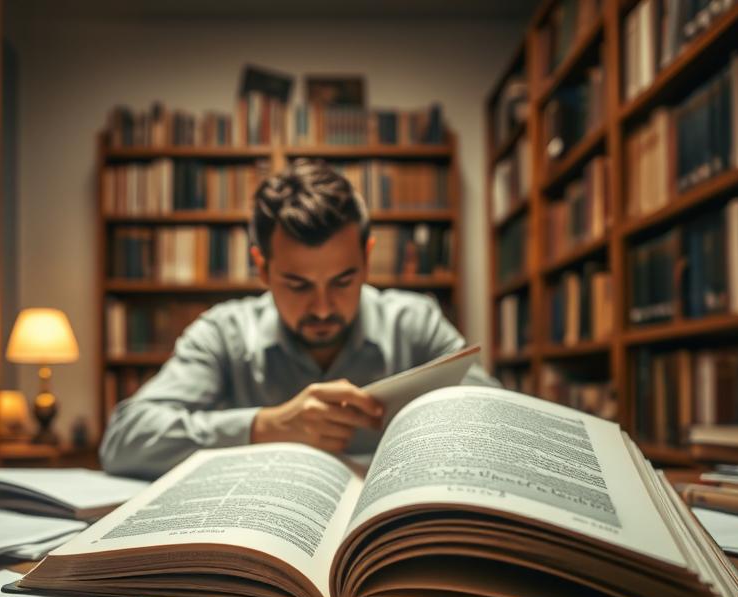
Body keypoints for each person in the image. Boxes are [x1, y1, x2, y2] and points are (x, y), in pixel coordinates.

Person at [99, 159, 497, 479]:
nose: (323, 308)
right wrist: (265, 427)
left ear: (367, 257)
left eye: (344, 281)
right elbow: (124, 439)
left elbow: (502, 422)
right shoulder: (223, 333)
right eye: (297, 285)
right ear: (262, 268)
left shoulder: (414, 322)